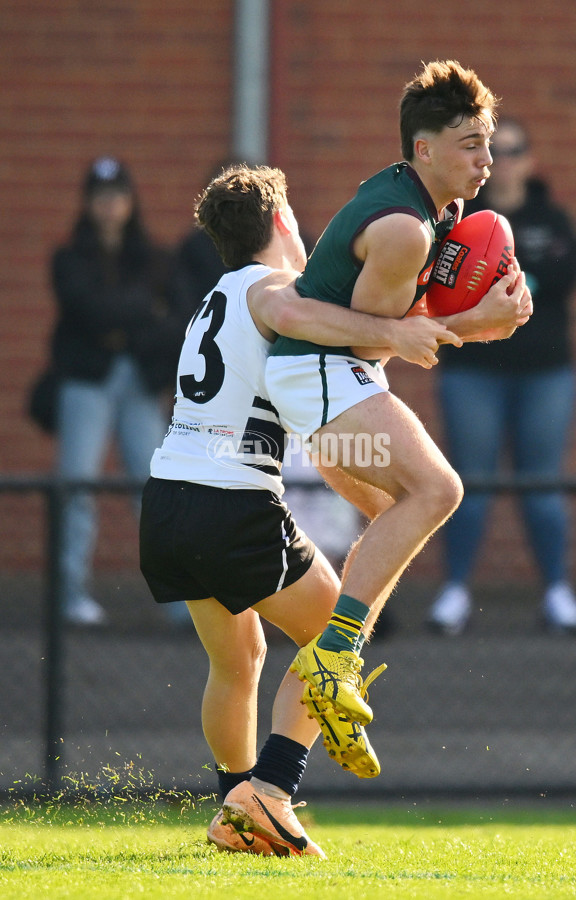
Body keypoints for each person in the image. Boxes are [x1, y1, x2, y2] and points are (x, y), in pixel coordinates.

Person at [139, 164, 448, 857]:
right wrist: (396, 334)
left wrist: (379, 508)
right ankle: (271, 789)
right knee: (335, 638)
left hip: (166, 502)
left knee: (240, 659)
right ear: (282, 222)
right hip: (230, 501)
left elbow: (319, 438)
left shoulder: (214, 296)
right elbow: (294, 314)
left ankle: (232, 805)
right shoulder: (273, 286)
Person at [263, 60, 532, 725]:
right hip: (322, 373)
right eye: (471, 145)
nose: (487, 160)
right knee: (438, 491)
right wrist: (470, 326)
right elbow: (367, 341)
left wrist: (482, 305)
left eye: (488, 144)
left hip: (330, 378)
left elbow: (386, 334)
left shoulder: (441, 209)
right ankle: (334, 660)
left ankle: (291, 748)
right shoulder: (403, 230)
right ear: (424, 148)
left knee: (394, 519)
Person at [427, 117, 576, 636]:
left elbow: (567, 274)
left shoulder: (553, 220)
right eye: (496, 150)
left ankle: (557, 593)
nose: (505, 160)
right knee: (467, 483)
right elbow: (439, 282)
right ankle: (454, 592)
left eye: (516, 149)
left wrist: (509, 279)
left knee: (542, 484)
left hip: (545, 374)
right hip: (473, 370)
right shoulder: (459, 219)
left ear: (530, 160)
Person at [50, 157, 187, 626]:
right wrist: (141, 310)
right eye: (101, 197)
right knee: (76, 487)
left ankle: (178, 603)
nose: (110, 206)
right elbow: (88, 308)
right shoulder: (69, 258)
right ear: (88, 204)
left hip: (138, 382)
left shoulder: (153, 257)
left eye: (118, 196)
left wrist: (132, 317)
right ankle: (69, 596)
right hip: (87, 381)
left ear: (131, 202)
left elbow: (175, 317)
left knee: (153, 490)